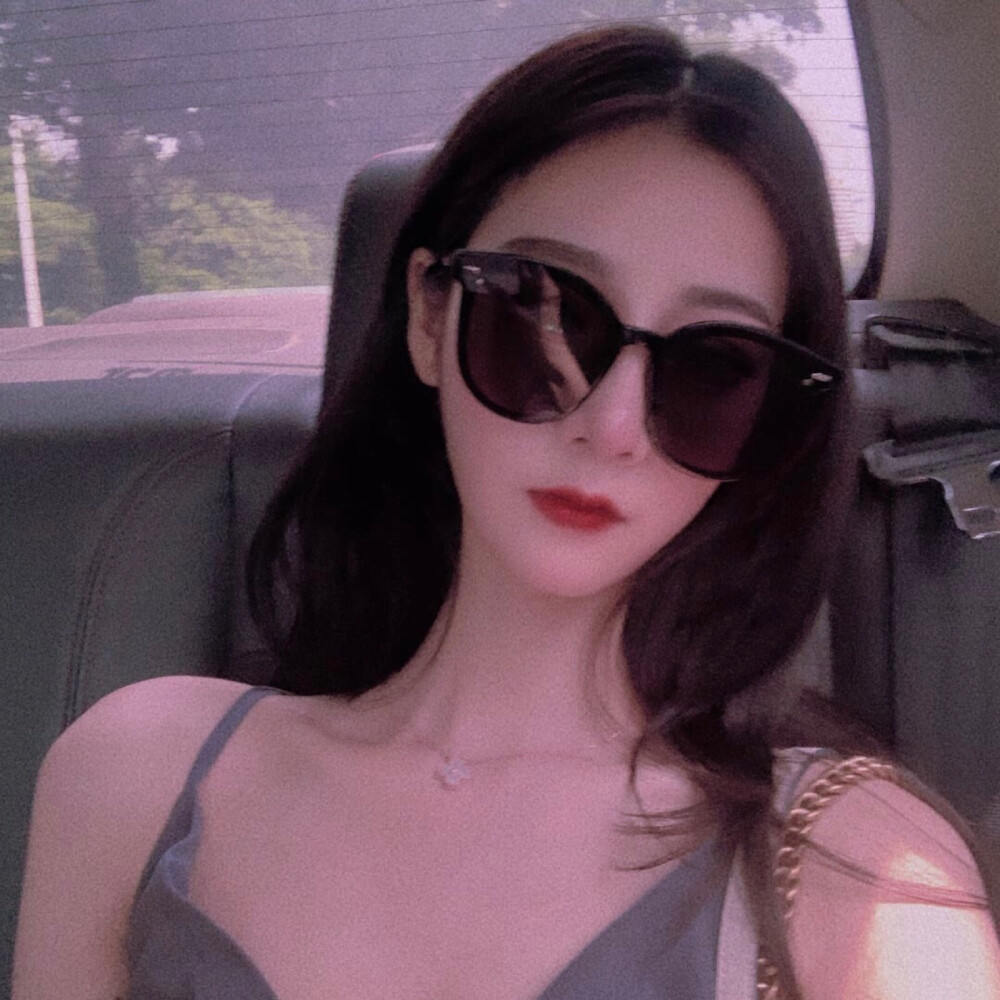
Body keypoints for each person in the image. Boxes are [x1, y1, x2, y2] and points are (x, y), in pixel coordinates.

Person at [13, 23, 1000, 1000]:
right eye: (542, 313)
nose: (612, 426)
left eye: (713, 369)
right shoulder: (132, 772)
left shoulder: (859, 872)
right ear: (431, 316)